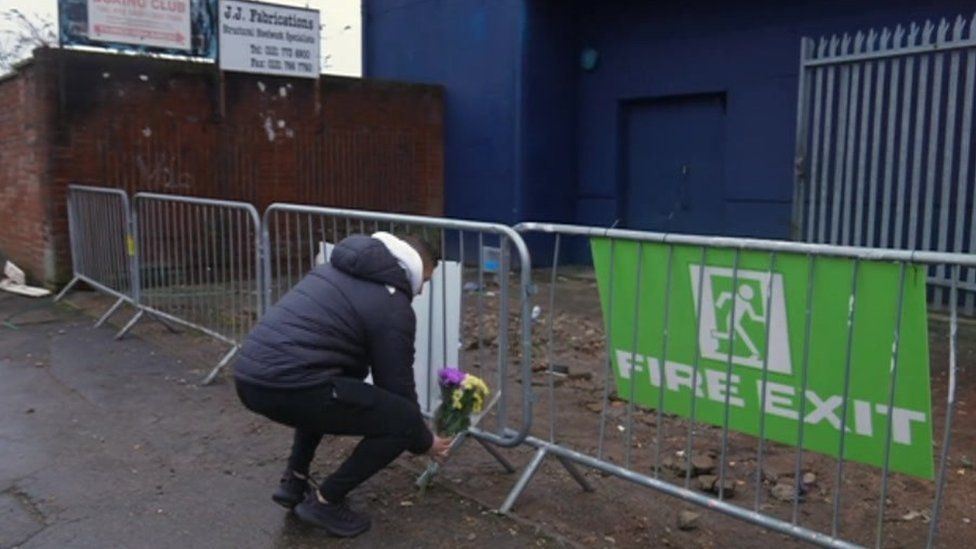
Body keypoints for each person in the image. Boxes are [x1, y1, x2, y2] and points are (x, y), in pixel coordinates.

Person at [234, 231, 452, 538]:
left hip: (249, 376)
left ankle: (294, 480)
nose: (420, 292)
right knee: (401, 421)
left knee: (332, 391)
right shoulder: (392, 304)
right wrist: (422, 440)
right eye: (425, 282)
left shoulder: (332, 271)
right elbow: (397, 389)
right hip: (289, 385)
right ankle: (325, 501)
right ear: (414, 270)